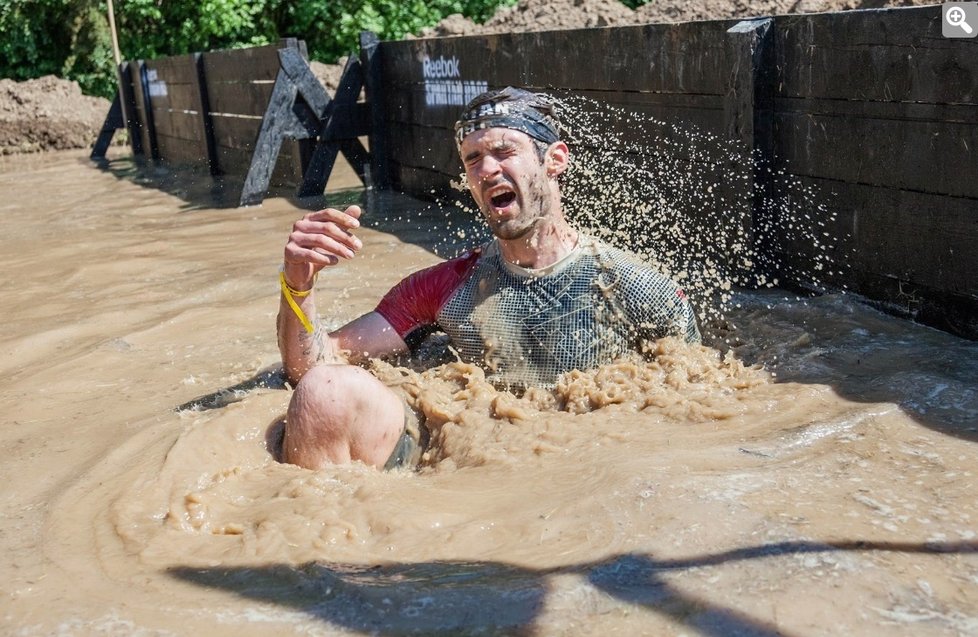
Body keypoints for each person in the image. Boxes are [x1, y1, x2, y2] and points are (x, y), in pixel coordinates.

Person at [276, 87, 700, 471]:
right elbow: (310, 364)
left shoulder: (638, 287)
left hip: (594, 467)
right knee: (325, 391)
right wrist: (298, 283)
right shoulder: (445, 286)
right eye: (473, 159)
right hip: (469, 458)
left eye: (503, 151)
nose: (486, 170)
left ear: (554, 161)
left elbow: (702, 401)